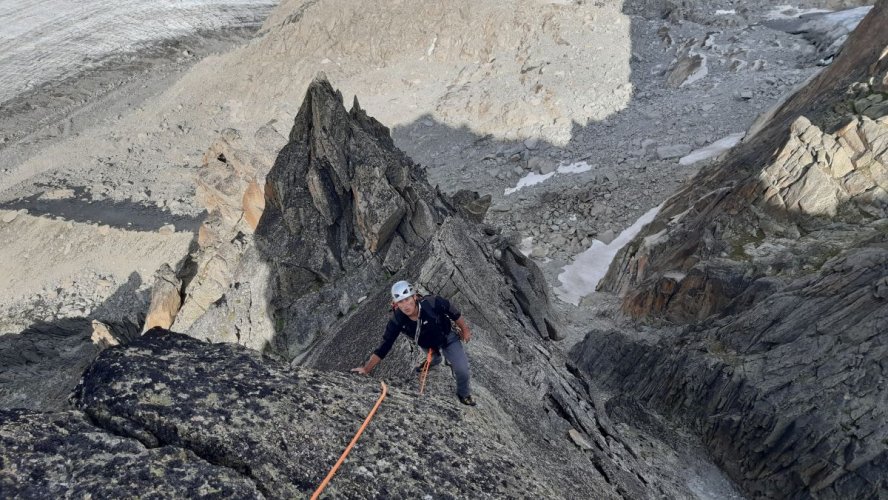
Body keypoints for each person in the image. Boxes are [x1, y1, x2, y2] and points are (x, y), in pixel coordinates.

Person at [352, 280, 477, 406]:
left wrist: (465, 330)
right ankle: (433, 360)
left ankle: (464, 394)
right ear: (396, 304)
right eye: (400, 302)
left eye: (407, 299)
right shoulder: (397, 321)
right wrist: (366, 369)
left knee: (462, 370)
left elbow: (452, 311)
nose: (405, 305)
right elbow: (385, 346)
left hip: (447, 337)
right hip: (427, 344)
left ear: (414, 297)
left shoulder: (432, 303)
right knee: (435, 359)